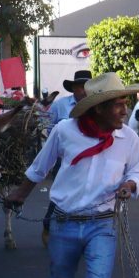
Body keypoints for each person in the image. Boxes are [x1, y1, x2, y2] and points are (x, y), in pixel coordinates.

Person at [6, 72, 139, 278]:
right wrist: (18, 195)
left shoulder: (129, 138)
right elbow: (39, 168)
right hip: (65, 223)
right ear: (98, 108)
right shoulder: (65, 131)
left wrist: (130, 185)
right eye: (119, 105)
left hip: (102, 225)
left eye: (126, 103)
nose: (125, 110)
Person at [43, 70, 92, 247]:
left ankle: (86, 231)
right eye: (80, 87)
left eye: (87, 87)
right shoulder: (60, 105)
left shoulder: (97, 107)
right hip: (65, 159)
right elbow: (48, 128)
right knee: (62, 192)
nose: (84, 91)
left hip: (91, 158)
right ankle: (48, 223)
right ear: (73, 88)